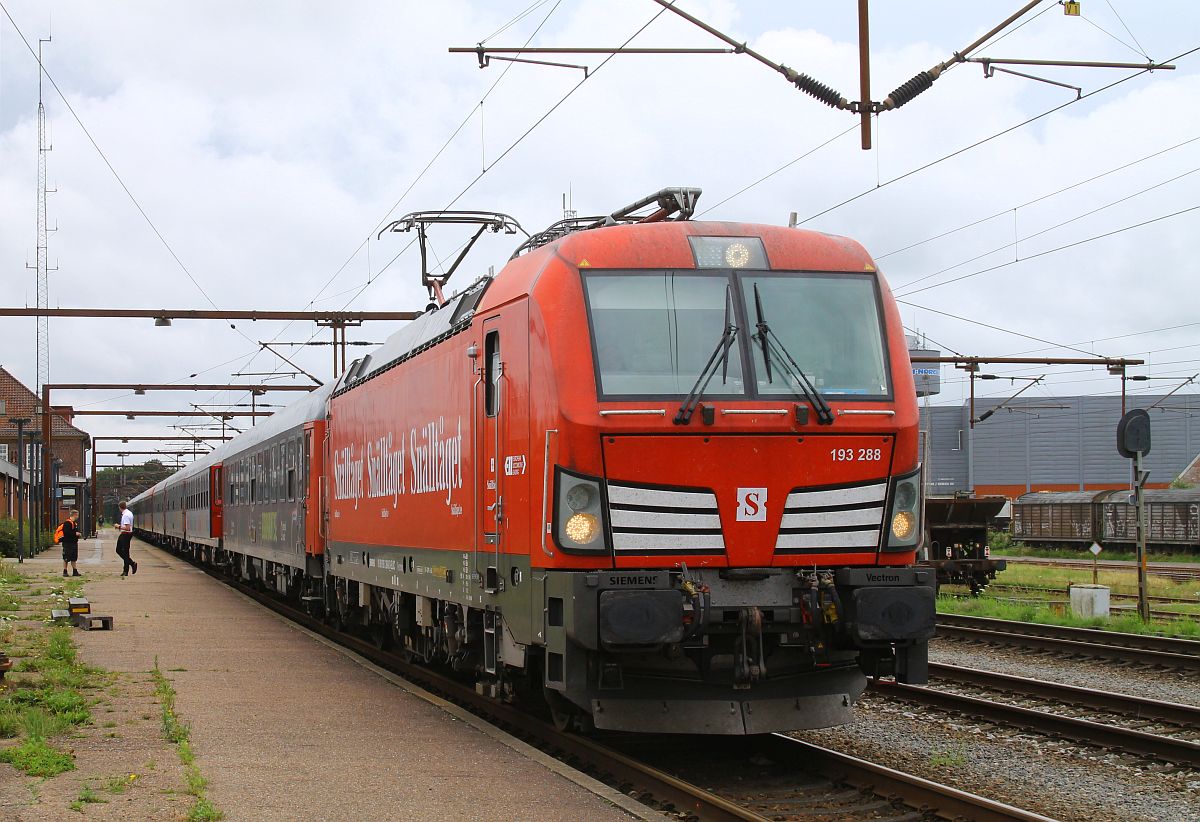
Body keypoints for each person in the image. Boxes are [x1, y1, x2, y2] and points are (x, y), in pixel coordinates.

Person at [116, 500, 138, 577]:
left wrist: (118, 526)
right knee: (121, 551)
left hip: (126, 534)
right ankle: (130, 565)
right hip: (126, 534)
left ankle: (129, 566)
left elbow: (127, 528)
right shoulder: (129, 513)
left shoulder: (125, 515)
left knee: (123, 551)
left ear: (119, 507)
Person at [60, 510, 82, 578]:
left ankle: (75, 571)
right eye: (77, 515)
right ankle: (65, 571)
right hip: (67, 543)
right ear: (74, 515)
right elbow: (66, 533)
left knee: (73, 558)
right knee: (66, 557)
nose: (78, 516)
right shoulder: (67, 523)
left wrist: (77, 534)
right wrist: (75, 533)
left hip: (74, 543)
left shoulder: (74, 523)